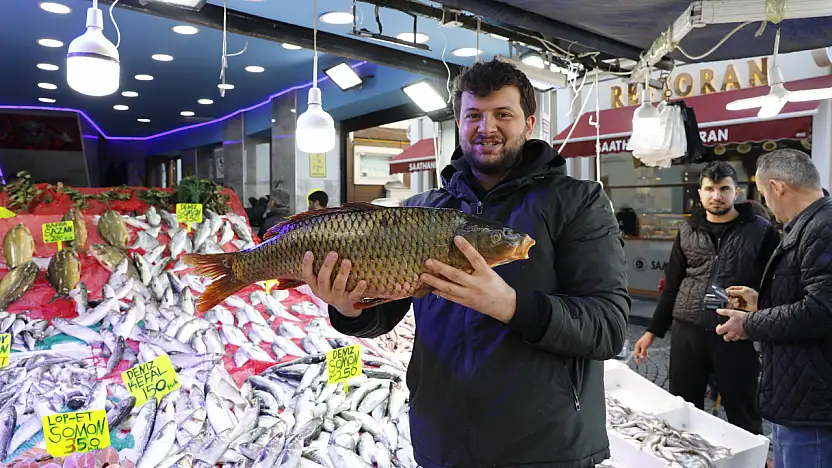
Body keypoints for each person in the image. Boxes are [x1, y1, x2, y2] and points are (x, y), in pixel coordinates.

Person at [300, 59, 630, 467]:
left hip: (547, 446)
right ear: (459, 123)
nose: (486, 127)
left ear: (529, 124)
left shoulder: (579, 202)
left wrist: (511, 305)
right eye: (474, 115)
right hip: (443, 442)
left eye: (502, 115)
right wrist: (349, 308)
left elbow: (608, 327)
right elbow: (384, 313)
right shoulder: (419, 211)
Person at [633, 161, 779, 436]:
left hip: (735, 333)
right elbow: (673, 283)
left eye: (724, 188)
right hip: (688, 331)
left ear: (736, 192)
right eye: (710, 189)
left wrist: (761, 310)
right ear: (699, 193)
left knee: (743, 410)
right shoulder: (687, 229)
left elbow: (776, 282)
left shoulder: (761, 230)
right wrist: (653, 330)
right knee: (682, 408)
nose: (717, 195)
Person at [717, 149, 832, 467]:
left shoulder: (823, 228)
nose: (766, 202)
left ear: (777, 187)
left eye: (764, 193)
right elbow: (807, 294)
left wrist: (749, 323)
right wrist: (761, 301)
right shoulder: (810, 224)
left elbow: (822, 310)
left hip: (813, 398)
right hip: (797, 392)